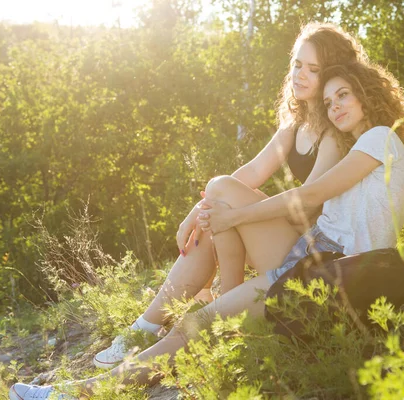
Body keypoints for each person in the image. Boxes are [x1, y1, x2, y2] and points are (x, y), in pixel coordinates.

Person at [10, 59, 404, 399]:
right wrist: (217, 211)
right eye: (329, 99)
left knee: (196, 324)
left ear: (367, 94)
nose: (334, 106)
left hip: (328, 273)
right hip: (311, 260)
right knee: (217, 222)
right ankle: (84, 389)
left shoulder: (379, 139)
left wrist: (234, 218)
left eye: (343, 95)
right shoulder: (362, 143)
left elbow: (311, 194)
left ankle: (79, 394)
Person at [89, 22, 366, 370]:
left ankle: (206, 315)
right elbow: (250, 173)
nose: (300, 75)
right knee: (215, 208)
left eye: (313, 69)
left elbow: (304, 208)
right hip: (283, 242)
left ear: (331, 74)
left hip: (305, 255)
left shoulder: (332, 134)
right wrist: (202, 209)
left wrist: (230, 210)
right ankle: (144, 329)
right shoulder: (296, 125)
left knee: (221, 196)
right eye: (297, 64)